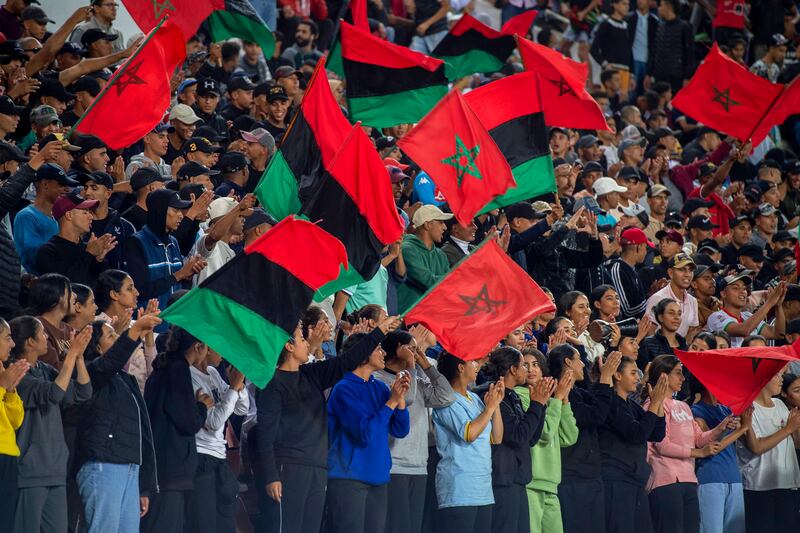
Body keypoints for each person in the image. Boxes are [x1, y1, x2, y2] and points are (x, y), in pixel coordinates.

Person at [255, 316, 401, 533]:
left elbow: (346, 361)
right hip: (289, 468)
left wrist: (378, 332)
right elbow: (265, 434)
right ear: (288, 346)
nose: (308, 344)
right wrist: (271, 475)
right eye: (302, 339)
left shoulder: (311, 374)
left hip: (318, 467)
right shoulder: (271, 383)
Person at [75, 312, 161, 533]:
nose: (117, 339)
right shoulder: (91, 371)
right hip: (103, 464)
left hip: (129, 466)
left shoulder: (126, 380)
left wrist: (144, 486)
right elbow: (109, 363)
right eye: (111, 336)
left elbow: (143, 434)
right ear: (97, 348)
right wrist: (133, 331)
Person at [9, 317, 92, 533]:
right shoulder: (16, 373)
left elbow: (83, 392)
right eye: (42, 334)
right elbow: (54, 393)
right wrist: (71, 355)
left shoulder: (45, 369)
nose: (47, 337)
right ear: (29, 342)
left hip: (55, 467)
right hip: (29, 471)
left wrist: (79, 358)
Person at [325, 328, 411, 533]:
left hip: (378, 477)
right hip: (349, 479)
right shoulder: (343, 389)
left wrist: (399, 400)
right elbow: (364, 433)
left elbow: (400, 430)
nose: (383, 353)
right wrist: (391, 401)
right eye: (378, 349)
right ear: (363, 353)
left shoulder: (380, 387)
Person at [645, 355, 739, 533]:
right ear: (663, 375)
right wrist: (700, 453)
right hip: (665, 480)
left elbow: (699, 438)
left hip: (688, 479)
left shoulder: (683, 406)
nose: (683, 378)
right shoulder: (653, 404)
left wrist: (721, 427)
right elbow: (661, 445)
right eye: (678, 373)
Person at [375, 327, 455, 533]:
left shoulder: (416, 380)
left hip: (419, 466)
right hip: (394, 466)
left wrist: (425, 364)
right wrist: (411, 365)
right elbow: (407, 398)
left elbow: (446, 397)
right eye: (411, 348)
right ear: (399, 349)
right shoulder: (379, 378)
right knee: (396, 527)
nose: (415, 351)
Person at [141, 327, 212, 533]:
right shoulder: (178, 368)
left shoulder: (164, 367)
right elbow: (188, 421)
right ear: (198, 346)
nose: (208, 353)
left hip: (163, 467)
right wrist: (201, 406)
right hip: (171, 469)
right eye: (206, 347)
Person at [432, 352, 504, 533]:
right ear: (460, 367)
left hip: (483, 491)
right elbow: (469, 433)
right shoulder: (446, 401)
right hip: (459, 490)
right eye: (472, 360)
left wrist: (495, 406)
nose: (478, 364)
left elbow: (496, 438)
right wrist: (489, 409)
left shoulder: (475, 399)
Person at [598, 355, 667, 533]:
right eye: (633, 373)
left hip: (635, 481)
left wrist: (657, 404)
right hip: (616, 480)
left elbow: (656, 434)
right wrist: (655, 403)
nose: (638, 378)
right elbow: (637, 434)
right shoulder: (612, 403)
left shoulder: (633, 405)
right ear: (618, 376)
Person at [555, 346, 620, 533]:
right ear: (568, 362)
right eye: (578, 359)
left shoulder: (579, 392)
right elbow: (595, 416)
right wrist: (606, 377)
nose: (583, 364)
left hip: (592, 476)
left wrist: (603, 377)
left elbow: (604, 409)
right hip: (572, 479)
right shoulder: (560, 393)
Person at [186, 346, 250, 533]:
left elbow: (241, 409)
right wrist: (233, 388)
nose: (223, 353)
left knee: (226, 523)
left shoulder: (213, 372)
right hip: (201, 457)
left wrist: (239, 385)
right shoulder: (190, 376)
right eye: (218, 346)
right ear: (204, 349)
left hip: (219, 459)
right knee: (204, 523)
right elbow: (213, 421)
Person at [514, 349, 578, 533]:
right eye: (525, 365)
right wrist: (557, 398)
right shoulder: (519, 396)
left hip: (551, 485)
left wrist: (564, 400)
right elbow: (545, 433)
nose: (531, 369)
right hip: (531, 483)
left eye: (535, 364)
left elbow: (569, 436)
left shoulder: (551, 401)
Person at [125, 189, 207, 314]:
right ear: (160, 211)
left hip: (173, 322)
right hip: (149, 324)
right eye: (176, 210)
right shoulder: (136, 242)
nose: (181, 215)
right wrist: (179, 274)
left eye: (181, 210)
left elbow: (176, 284)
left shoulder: (173, 242)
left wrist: (188, 274)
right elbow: (139, 290)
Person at [737, 371, 800, 533]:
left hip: (788, 483)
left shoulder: (779, 405)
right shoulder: (748, 407)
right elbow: (756, 447)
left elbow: (795, 443)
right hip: (759, 486)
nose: (781, 379)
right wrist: (788, 429)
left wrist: (795, 427)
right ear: (762, 379)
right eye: (776, 376)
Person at [690, 376, 749, 533]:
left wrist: (744, 419)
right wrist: (741, 429)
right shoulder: (695, 410)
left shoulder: (726, 410)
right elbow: (710, 447)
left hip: (733, 478)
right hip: (710, 478)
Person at [93, 269, 156, 393]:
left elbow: (153, 371)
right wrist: (117, 335)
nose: (137, 293)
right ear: (114, 294)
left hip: (143, 399)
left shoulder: (137, 324)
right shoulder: (95, 327)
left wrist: (148, 334)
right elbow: (100, 371)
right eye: (130, 288)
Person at [35, 193, 116, 286]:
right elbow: (67, 286)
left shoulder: (88, 247)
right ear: (69, 215)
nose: (91, 217)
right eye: (85, 212)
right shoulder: (47, 251)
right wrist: (89, 254)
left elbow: (105, 287)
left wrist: (99, 260)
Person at [0, 318, 30, 531]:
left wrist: (10, 392)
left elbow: (16, 420)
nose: (12, 344)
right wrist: (2, 386)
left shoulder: (4, 369)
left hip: (8, 453)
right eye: (7, 338)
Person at [397, 205, 452, 313]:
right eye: (441, 222)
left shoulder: (441, 255)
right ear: (427, 225)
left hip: (433, 318)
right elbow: (429, 281)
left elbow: (449, 289)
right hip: (408, 320)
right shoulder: (407, 249)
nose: (445, 227)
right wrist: (460, 276)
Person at [706, 275, 787, 347]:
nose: (742, 292)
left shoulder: (748, 316)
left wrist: (778, 305)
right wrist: (769, 303)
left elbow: (777, 334)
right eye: (736, 288)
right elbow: (744, 330)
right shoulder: (716, 317)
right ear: (723, 294)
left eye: (744, 288)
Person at [644, 253, 700, 338]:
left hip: (682, 349)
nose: (687, 274)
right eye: (682, 269)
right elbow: (649, 334)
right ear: (670, 273)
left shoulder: (693, 301)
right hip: (660, 350)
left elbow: (692, 332)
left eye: (690, 270)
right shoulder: (657, 299)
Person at [609, 228, 651, 320]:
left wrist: (650, 294)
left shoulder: (632, 269)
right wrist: (653, 300)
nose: (646, 252)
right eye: (645, 247)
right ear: (638, 247)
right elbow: (626, 310)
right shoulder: (618, 269)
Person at [638, 298, 688, 371]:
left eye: (679, 314)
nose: (677, 317)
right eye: (671, 313)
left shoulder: (685, 346)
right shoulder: (648, 344)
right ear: (660, 317)